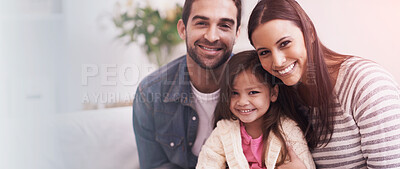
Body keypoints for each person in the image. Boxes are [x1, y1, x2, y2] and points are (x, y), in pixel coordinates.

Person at [247, 0, 400, 168]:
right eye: (264, 52)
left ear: (310, 33)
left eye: (285, 43)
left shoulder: (367, 85)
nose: (277, 62)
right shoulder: (282, 93)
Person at [132, 0, 242, 168]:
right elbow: (154, 165)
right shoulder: (149, 94)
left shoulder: (262, 87)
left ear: (237, 33)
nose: (212, 36)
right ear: (183, 29)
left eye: (224, 25)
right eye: (202, 23)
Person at [196, 50, 315, 169]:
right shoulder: (224, 131)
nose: (242, 102)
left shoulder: (288, 131)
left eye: (253, 92)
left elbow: (305, 164)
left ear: (273, 93)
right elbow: (207, 163)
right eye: (234, 93)